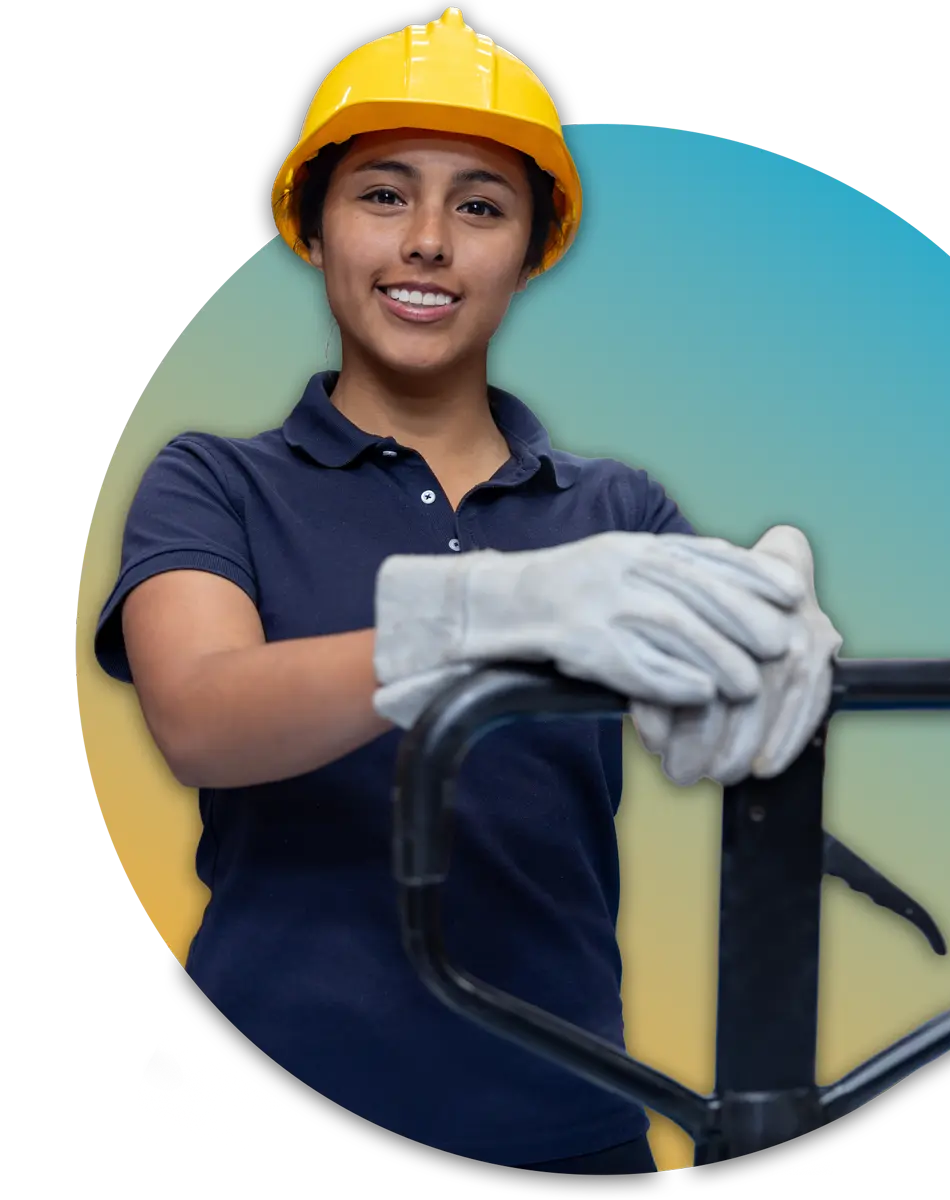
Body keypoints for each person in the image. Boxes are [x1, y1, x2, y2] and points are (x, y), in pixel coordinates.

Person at [92, 8, 842, 1176]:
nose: (429, 241)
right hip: (266, 1106)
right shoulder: (214, 482)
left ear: (532, 248)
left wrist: (766, 648)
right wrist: (487, 614)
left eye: (481, 206)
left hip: (573, 1124)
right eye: (383, 194)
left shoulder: (618, 514)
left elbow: (722, 705)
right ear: (313, 224)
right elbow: (199, 715)